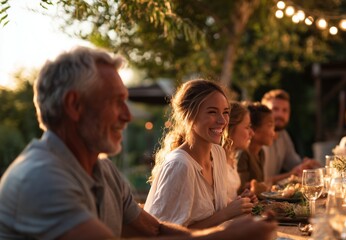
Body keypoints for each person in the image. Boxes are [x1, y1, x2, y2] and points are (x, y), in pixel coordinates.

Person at [0, 47, 276, 240]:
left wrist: (221, 233)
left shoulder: (103, 170)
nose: (127, 115)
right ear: (74, 105)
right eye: (116, 101)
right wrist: (224, 236)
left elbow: (153, 230)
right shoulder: (40, 178)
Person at [144, 80, 256, 229]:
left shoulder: (217, 154)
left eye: (225, 112)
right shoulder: (180, 166)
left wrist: (239, 204)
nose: (222, 120)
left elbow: (210, 208)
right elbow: (166, 235)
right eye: (212, 112)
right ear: (189, 116)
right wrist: (226, 213)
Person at [261, 89, 319, 183]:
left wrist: (305, 164)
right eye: (275, 109)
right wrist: (291, 173)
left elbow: (294, 164)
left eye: (285, 110)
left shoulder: (283, 134)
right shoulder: (257, 138)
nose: (280, 114)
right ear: (263, 112)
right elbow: (260, 181)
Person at [237, 102, 276, 192]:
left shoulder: (261, 152)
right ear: (254, 129)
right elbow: (240, 189)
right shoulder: (243, 154)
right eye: (270, 125)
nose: (273, 133)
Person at [222, 101, 256, 200]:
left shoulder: (232, 156)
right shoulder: (215, 161)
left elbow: (228, 200)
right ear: (230, 129)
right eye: (247, 127)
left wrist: (243, 198)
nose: (252, 133)